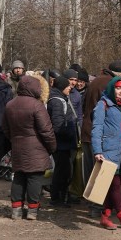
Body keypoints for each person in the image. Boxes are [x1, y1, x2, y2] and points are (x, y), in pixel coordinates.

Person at [2, 75, 57, 220]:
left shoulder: (10, 105)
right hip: (37, 149)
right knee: (34, 178)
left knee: (18, 177)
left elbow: (5, 129)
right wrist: (52, 147)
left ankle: (16, 210)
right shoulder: (37, 105)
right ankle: (32, 210)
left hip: (17, 147)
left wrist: (14, 140)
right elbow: (46, 130)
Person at [91, 77, 121, 230]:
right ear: (113, 89)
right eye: (118, 88)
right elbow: (97, 128)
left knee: (111, 186)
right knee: (116, 186)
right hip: (108, 152)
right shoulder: (103, 105)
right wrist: (97, 150)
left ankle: (105, 217)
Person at [47, 75, 78, 208]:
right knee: (61, 171)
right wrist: (71, 133)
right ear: (61, 87)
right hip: (61, 143)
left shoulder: (61, 99)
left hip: (63, 143)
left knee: (64, 171)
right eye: (67, 86)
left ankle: (61, 197)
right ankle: (57, 198)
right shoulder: (57, 101)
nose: (70, 88)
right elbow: (58, 125)